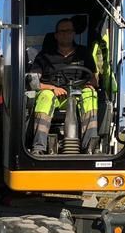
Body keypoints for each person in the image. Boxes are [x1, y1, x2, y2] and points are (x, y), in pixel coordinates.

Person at [29, 18, 99, 155]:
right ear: (56, 35)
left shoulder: (84, 54)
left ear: (74, 34)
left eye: (69, 31)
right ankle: (39, 147)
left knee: (90, 95)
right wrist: (51, 88)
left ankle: (90, 147)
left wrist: (89, 85)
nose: (66, 34)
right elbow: (33, 82)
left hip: (77, 95)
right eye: (62, 31)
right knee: (45, 97)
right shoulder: (44, 56)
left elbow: (94, 79)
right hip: (54, 96)